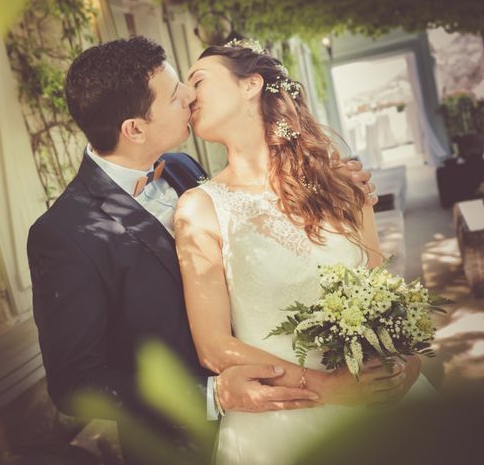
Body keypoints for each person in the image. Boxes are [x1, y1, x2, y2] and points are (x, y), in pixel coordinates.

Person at [27, 36, 377, 465]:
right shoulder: (66, 234)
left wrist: (330, 190)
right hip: (184, 444)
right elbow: (75, 385)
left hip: (296, 394)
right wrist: (212, 394)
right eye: (176, 95)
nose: (190, 96)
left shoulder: (181, 169)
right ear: (134, 128)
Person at [174, 40, 435, 465]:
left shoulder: (343, 186)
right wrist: (327, 387)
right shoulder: (200, 208)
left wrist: (407, 364)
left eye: (197, 80)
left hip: (382, 404)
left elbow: (386, 291)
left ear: (251, 85)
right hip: (285, 429)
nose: (188, 96)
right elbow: (214, 347)